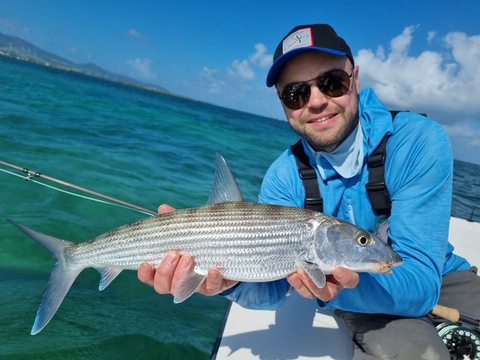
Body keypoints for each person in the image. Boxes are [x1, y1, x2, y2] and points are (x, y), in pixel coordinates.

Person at [138, 24, 480, 358]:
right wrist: (231, 281)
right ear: (282, 102)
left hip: (440, 275)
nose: (315, 101)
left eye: (332, 82)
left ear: (355, 78)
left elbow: (421, 280)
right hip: (350, 292)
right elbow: (272, 285)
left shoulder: (417, 141)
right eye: (296, 93)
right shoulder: (284, 176)